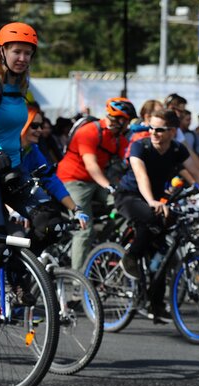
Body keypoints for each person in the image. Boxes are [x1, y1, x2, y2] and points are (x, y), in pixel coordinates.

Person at [0, 21, 84, 351]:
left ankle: (17, 276)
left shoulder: (21, 85)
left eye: (28, 53)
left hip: (10, 168)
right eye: (17, 51)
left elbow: (17, 136)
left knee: (49, 222)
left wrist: (14, 162)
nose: (22, 58)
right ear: (2, 51)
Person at [116, 109, 199, 322]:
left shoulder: (177, 150)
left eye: (160, 130)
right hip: (130, 196)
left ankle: (155, 304)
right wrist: (151, 201)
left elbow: (197, 174)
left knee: (166, 248)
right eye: (151, 128)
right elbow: (141, 176)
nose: (154, 133)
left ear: (173, 132)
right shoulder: (141, 146)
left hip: (157, 200)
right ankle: (130, 258)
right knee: (150, 217)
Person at [57, 97, 136, 269]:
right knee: (84, 230)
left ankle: (99, 246)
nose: (128, 126)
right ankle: (78, 279)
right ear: (118, 120)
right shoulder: (89, 132)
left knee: (125, 208)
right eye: (126, 121)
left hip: (95, 182)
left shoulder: (118, 138)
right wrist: (109, 186)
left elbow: (129, 162)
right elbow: (91, 165)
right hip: (72, 181)